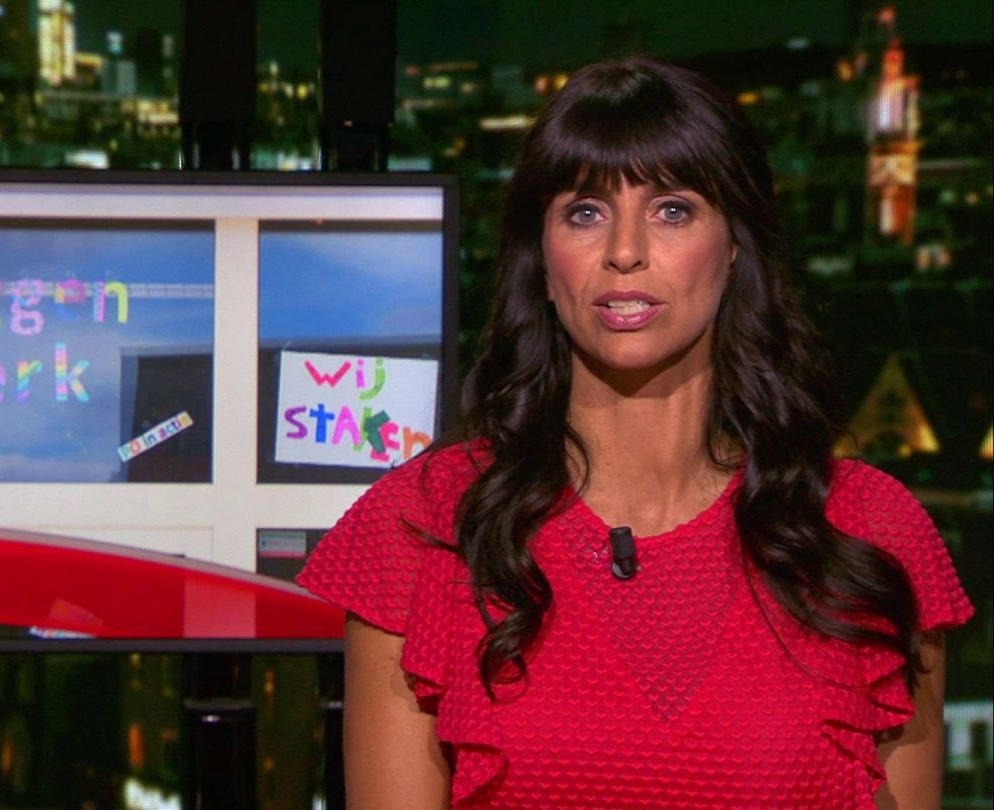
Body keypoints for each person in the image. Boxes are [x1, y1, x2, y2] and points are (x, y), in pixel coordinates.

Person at [295, 56, 973, 809]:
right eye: (584, 213)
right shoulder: (423, 528)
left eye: (672, 210)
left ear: (735, 245)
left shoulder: (869, 531)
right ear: (541, 257)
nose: (625, 251)